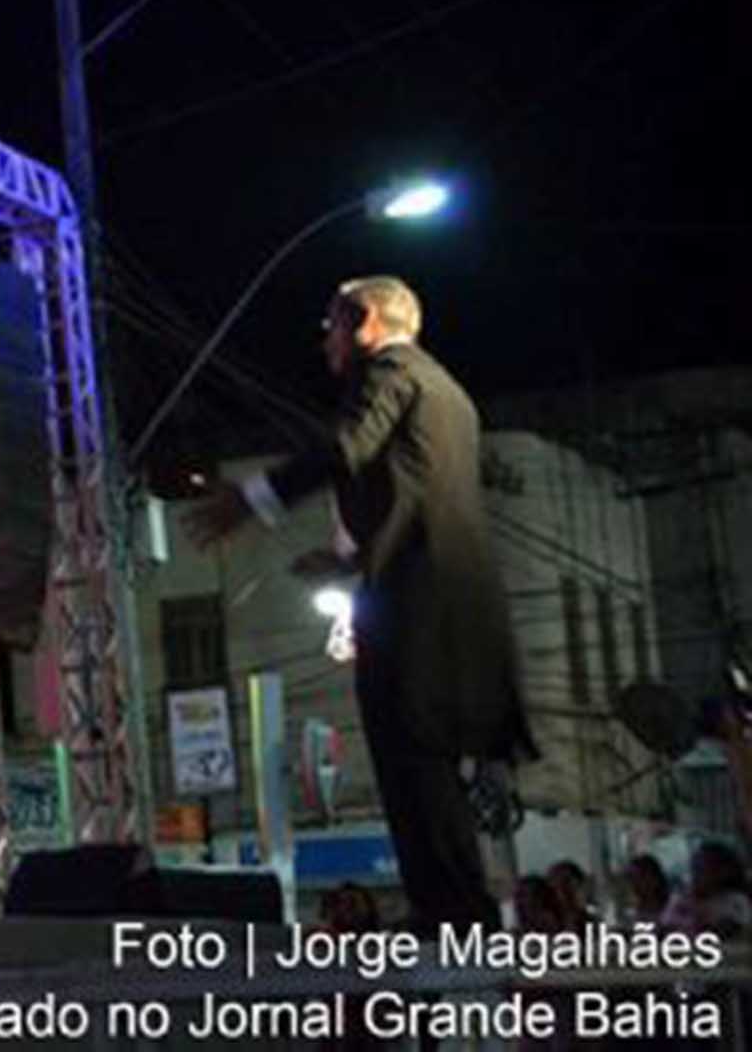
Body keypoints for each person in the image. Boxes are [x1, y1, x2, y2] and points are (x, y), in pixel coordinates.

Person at [191, 275, 530, 929]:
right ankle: (461, 908)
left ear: (367, 321)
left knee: (409, 764)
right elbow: (419, 490)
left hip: (417, 604)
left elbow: (345, 447)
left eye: (333, 327)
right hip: (456, 606)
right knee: (431, 769)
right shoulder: (448, 392)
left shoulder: (391, 372)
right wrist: (347, 557)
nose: (327, 345)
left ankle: (449, 912)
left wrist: (252, 498)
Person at [659, 842, 751, 938]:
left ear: (723, 872)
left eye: (705, 868)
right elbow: (666, 926)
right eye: (695, 868)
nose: (697, 874)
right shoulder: (680, 899)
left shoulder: (735, 902)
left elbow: (733, 929)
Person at [622, 854, 671, 926]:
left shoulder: (674, 908)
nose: (635, 885)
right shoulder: (634, 916)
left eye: (640, 878)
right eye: (632, 880)